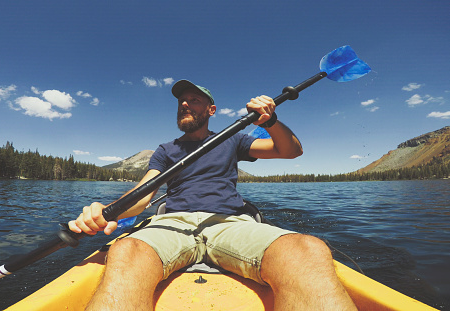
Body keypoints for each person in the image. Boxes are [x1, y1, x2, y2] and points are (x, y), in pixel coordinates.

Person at [69, 80, 357, 310]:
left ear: (211, 110)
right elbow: (143, 196)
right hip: (174, 223)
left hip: (228, 221)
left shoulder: (234, 138)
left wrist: (270, 122)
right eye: (182, 101)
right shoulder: (165, 150)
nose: (184, 103)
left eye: (194, 100)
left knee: (307, 250)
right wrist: (104, 210)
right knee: (126, 251)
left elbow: (290, 151)